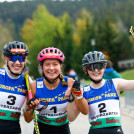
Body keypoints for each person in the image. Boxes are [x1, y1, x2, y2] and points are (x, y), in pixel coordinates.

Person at [24, 47, 85, 134]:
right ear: (41, 67)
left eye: (55, 64)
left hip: (63, 129)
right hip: (41, 129)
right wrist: (29, 108)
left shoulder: (70, 83)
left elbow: (85, 112)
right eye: (47, 64)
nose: (51, 68)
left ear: (61, 66)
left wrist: (78, 95)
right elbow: (27, 119)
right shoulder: (34, 86)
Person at [71, 51, 134, 134]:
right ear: (86, 70)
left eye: (99, 66)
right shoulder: (82, 91)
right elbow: (71, 118)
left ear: (104, 67)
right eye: (92, 67)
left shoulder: (115, 84)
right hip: (95, 131)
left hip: (115, 130)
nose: (96, 70)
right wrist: (70, 98)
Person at [0, 41, 30, 134]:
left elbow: (28, 118)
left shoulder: (27, 80)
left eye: (21, 58)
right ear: (6, 59)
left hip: (13, 128)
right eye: (13, 58)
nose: (17, 62)